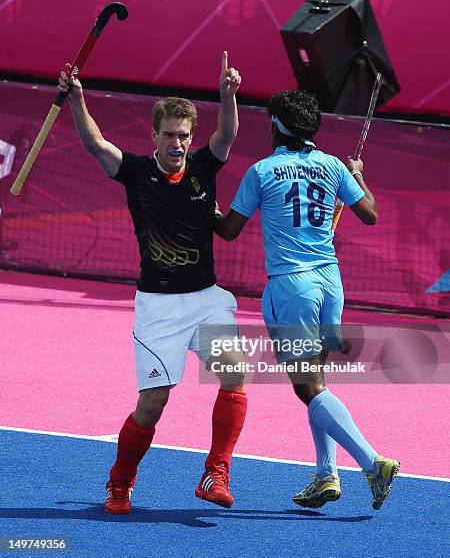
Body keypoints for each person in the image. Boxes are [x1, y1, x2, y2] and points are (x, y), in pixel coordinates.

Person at [57, 51, 247, 513]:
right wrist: (77, 99)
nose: (177, 143)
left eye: (184, 136)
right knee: (153, 404)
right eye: (169, 135)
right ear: (154, 135)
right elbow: (98, 145)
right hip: (158, 306)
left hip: (205, 298)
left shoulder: (204, 167)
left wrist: (227, 96)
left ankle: (215, 472)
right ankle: (120, 482)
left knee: (236, 375)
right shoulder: (138, 173)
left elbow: (228, 134)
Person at [214, 89, 400, 510]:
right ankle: (325, 474)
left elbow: (227, 231)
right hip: (330, 283)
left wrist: (201, 204)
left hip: (292, 287)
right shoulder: (334, 166)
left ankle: (373, 463)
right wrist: (358, 176)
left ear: (276, 126)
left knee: (308, 387)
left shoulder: (262, 171)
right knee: (315, 383)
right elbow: (369, 213)